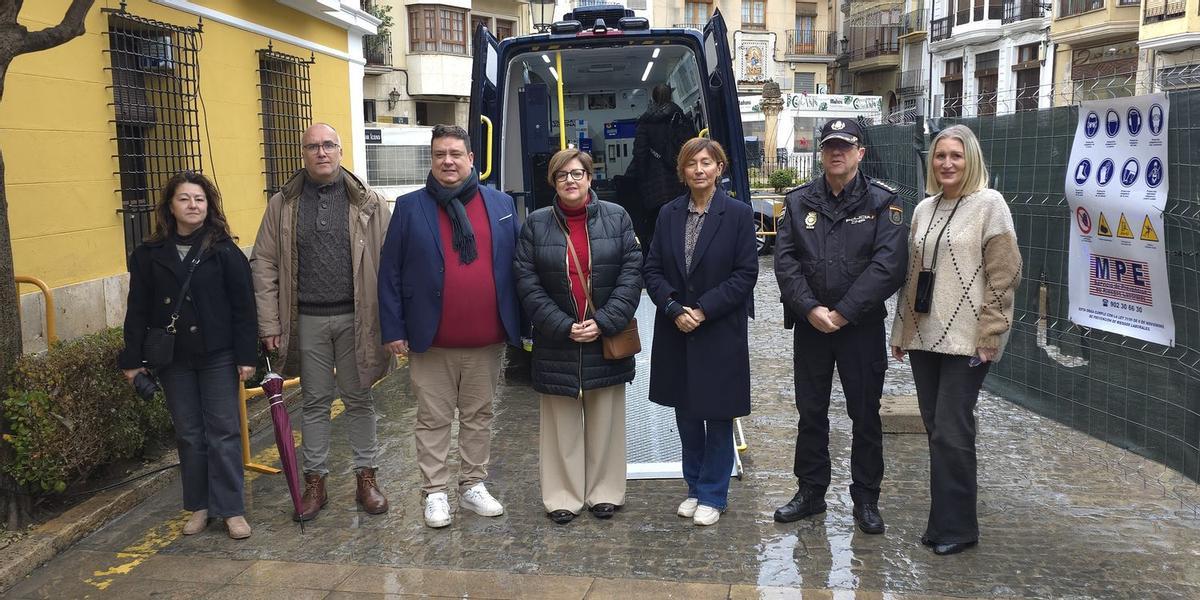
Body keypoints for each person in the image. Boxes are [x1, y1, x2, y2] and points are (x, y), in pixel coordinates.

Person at [378, 124, 522, 528]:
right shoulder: (410, 207)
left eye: (455, 154)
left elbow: (519, 265)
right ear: (431, 159)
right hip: (431, 339)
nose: (448, 161)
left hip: (486, 338)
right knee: (433, 418)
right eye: (440, 154)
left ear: (471, 159)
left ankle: (473, 484)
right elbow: (389, 272)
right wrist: (393, 329)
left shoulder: (500, 204)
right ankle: (435, 492)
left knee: (479, 415)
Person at [250, 123, 393, 522]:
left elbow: (391, 264)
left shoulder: (370, 203)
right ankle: (316, 482)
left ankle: (366, 478)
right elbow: (263, 263)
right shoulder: (282, 204)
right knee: (314, 402)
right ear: (303, 154)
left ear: (341, 151)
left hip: (357, 318)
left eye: (328, 145)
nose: (321, 152)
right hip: (307, 319)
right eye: (313, 146)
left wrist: (393, 324)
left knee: (359, 398)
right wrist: (270, 324)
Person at [890, 124, 1021, 556]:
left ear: (971, 160)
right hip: (925, 339)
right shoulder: (923, 208)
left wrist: (991, 334)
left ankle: (959, 528)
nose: (947, 163)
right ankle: (941, 523)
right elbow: (912, 277)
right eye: (940, 155)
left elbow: (1004, 275)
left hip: (968, 341)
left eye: (956, 156)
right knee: (936, 429)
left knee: (951, 429)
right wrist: (901, 330)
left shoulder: (990, 205)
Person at [773, 118, 908, 534]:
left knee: (864, 414)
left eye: (845, 146)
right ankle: (811, 491)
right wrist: (811, 308)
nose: (837, 153)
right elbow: (785, 262)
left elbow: (888, 267)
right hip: (811, 327)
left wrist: (844, 312)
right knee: (811, 412)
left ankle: (866, 498)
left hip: (860, 328)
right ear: (821, 153)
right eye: (830, 146)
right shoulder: (799, 202)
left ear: (859, 153)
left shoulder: (883, 202)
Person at [119, 171, 257, 540]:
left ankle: (231, 509)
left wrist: (246, 356)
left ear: (209, 205)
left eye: (199, 199)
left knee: (224, 432)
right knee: (190, 434)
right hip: (174, 358)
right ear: (170, 206)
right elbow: (137, 310)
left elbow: (244, 308)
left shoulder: (225, 251)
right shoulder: (148, 256)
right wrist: (132, 360)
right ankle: (200, 506)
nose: (192, 205)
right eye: (184, 198)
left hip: (217, 354)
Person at [513, 148, 642, 525]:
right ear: (552, 182)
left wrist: (604, 321)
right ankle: (562, 496)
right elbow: (526, 282)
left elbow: (632, 274)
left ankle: (605, 491)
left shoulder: (618, 217)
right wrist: (561, 325)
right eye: (562, 175)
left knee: (606, 418)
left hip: (605, 334)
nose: (570, 180)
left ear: (590, 177)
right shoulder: (535, 224)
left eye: (577, 173)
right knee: (560, 423)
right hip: (558, 339)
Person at [643, 138, 758, 526]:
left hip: (719, 330)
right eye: (691, 164)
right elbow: (652, 269)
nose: (699, 170)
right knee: (687, 415)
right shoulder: (668, 214)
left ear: (719, 168)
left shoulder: (738, 214)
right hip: (676, 328)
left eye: (706, 162)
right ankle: (693, 487)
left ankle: (714, 493)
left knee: (718, 415)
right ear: (682, 171)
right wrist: (673, 307)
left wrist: (704, 309)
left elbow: (746, 274)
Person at [630, 83, 697, 248]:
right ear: (670, 96)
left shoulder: (645, 121)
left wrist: (642, 177)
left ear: (653, 97)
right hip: (677, 178)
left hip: (653, 181)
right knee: (680, 220)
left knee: (655, 223)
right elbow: (691, 145)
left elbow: (639, 153)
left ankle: (657, 253)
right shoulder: (680, 117)